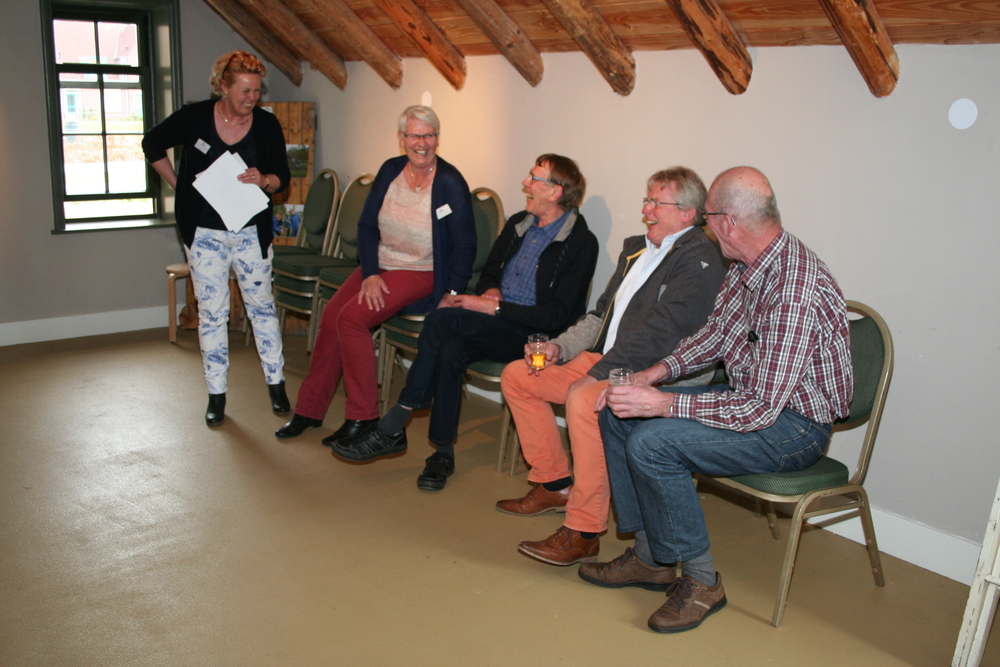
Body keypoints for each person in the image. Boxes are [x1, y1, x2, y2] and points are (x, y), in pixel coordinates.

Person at [585, 166, 853, 634]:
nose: (706, 229)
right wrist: (653, 375)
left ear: (728, 222)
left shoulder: (794, 288)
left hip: (794, 427)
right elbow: (715, 335)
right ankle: (651, 559)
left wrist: (664, 404)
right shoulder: (747, 264)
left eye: (708, 218)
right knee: (620, 409)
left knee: (653, 442)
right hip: (752, 398)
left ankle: (702, 581)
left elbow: (760, 410)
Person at [497, 167, 726, 566]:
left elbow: (660, 335)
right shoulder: (637, 249)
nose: (646, 210)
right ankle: (554, 483)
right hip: (610, 359)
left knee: (586, 400)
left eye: (656, 203)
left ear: (688, 213)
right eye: (647, 200)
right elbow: (600, 315)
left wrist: (595, 376)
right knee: (518, 375)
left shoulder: (700, 262)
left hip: (657, 373)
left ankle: (584, 530)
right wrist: (560, 347)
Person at [332, 155, 600, 492]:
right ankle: (442, 454)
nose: (525, 183)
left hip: (534, 337)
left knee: (441, 320)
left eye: (534, 179)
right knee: (450, 349)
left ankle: (395, 422)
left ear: (555, 192)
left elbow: (557, 316)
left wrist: (493, 307)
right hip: (494, 321)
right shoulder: (520, 223)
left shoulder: (581, 243)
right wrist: (491, 290)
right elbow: (490, 270)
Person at [275, 106, 477, 445]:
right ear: (402, 138)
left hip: (421, 271)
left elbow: (465, 244)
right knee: (331, 317)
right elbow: (367, 225)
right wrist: (369, 273)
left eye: (429, 135)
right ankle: (309, 409)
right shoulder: (391, 170)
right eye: (414, 135)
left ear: (437, 138)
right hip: (380, 266)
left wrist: (452, 293)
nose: (422, 143)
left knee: (352, 320)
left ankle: (363, 417)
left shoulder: (450, 182)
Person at [142, 50, 292, 427]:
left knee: (262, 309)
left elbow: (282, 178)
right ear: (223, 86)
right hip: (204, 232)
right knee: (212, 314)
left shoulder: (267, 125)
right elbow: (152, 143)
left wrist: (264, 180)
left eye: (256, 91)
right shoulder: (194, 117)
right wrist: (180, 185)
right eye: (244, 91)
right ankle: (216, 395)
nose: (252, 98)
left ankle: (276, 385)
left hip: (251, 233)